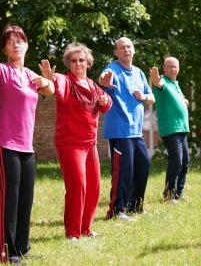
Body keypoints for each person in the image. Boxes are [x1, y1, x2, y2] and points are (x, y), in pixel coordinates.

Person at [40, 43, 112, 241]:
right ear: (68, 64)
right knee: (77, 185)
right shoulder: (65, 81)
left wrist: (105, 100)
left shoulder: (92, 85)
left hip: (91, 143)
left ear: (88, 63)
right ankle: (72, 232)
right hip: (70, 143)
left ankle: (85, 228)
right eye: (73, 60)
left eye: (81, 60)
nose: (78, 63)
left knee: (94, 187)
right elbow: (55, 85)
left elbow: (105, 101)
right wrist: (50, 78)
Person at [0, 25, 54, 264]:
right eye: (11, 41)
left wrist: (48, 80)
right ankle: (7, 250)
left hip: (26, 147)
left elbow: (50, 91)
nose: (16, 45)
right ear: (4, 49)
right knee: (8, 201)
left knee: (25, 199)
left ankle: (22, 247)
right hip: (5, 144)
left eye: (20, 40)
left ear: (27, 46)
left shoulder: (32, 76)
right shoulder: (2, 71)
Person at [99, 37, 155, 220]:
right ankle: (117, 210)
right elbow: (103, 81)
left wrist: (144, 96)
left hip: (136, 130)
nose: (126, 50)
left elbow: (152, 97)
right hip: (119, 129)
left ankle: (135, 206)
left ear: (134, 50)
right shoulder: (111, 69)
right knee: (123, 170)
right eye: (122, 48)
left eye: (129, 47)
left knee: (143, 166)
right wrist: (105, 83)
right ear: (116, 52)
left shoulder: (138, 73)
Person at [150, 57, 190, 203]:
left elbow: (180, 100)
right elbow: (159, 83)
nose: (172, 69)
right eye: (169, 66)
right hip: (171, 128)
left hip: (182, 128)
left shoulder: (175, 84)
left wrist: (184, 101)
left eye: (175, 67)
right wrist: (155, 79)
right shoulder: (164, 82)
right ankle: (168, 195)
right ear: (164, 68)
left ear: (178, 69)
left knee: (185, 162)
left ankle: (178, 193)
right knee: (177, 162)